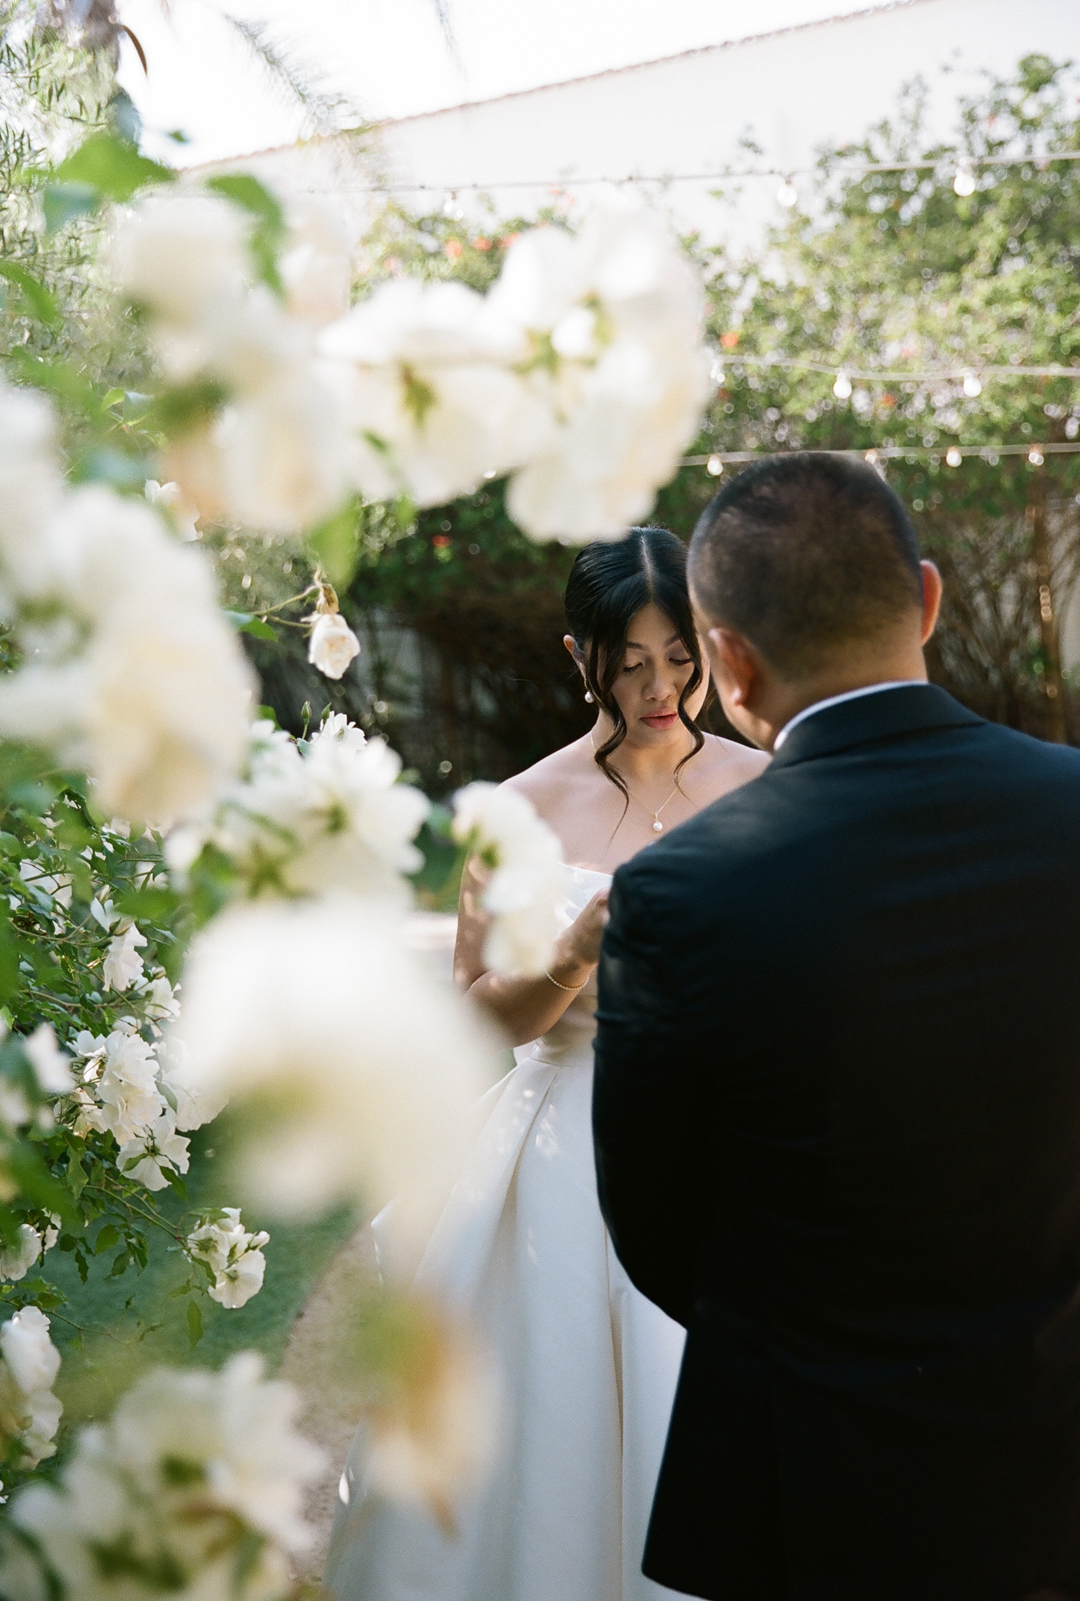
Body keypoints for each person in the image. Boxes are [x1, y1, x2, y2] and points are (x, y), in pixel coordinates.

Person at [593, 453, 1080, 1601]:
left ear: (726, 657)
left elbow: (658, 1227)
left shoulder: (680, 894)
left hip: (821, 1478)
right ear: (926, 598)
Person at [325, 526, 765, 1601]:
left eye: (681, 658)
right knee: (558, 1418)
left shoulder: (772, 789)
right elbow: (479, 1023)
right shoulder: (516, 813)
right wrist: (573, 955)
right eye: (631, 664)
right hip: (568, 1150)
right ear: (583, 659)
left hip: (732, 1146)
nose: (663, 688)